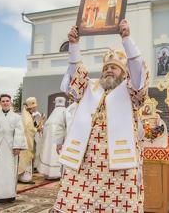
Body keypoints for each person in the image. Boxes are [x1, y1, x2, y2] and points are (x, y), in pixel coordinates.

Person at [53, 19, 149, 212]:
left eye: (114, 68)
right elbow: (76, 73)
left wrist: (127, 39)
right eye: (106, 68)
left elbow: (138, 72)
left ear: (124, 73)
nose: (108, 71)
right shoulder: (92, 87)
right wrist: (74, 45)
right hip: (86, 161)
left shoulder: (130, 90)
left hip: (119, 163)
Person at [37, 97, 66, 179]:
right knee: (57, 154)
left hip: (50, 142)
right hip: (60, 140)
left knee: (50, 153)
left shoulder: (53, 114)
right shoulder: (65, 111)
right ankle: (58, 173)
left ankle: (49, 172)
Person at [18, 97, 41, 184]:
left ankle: (23, 177)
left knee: (26, 158)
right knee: (26, 157)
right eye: (35, 107)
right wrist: (37, 129)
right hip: (26, 141)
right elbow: (28, 129)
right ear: (31, 107)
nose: (36, 108)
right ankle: (25, 178)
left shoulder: (27, 114)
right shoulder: (27, 116)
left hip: (26, 139)